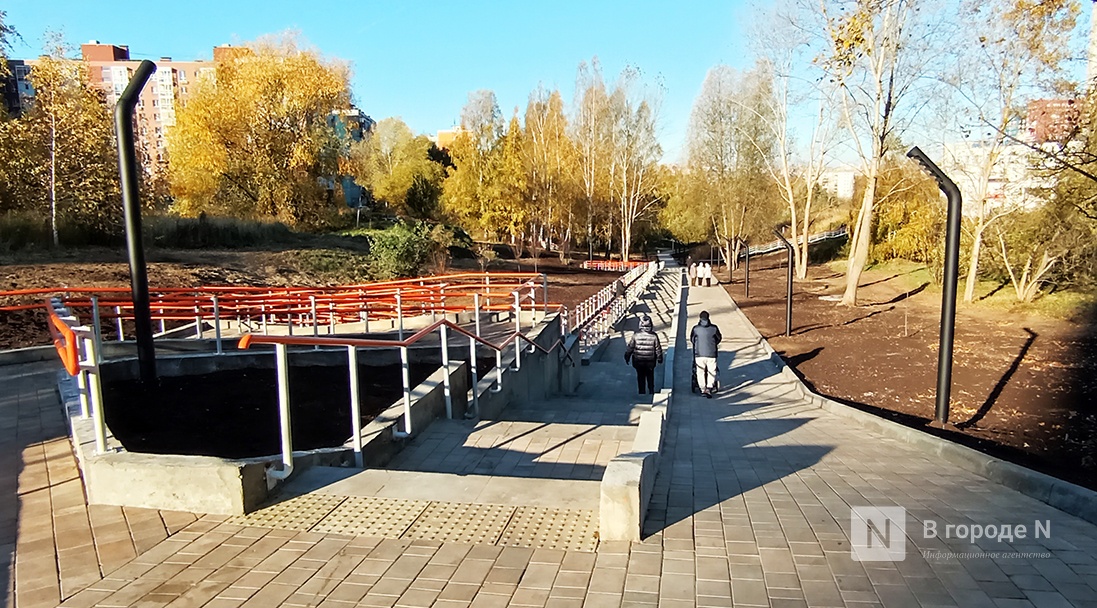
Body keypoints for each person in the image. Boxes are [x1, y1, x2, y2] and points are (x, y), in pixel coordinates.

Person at [624, 314, 664, 395]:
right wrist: (660, 359)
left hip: (638, 361)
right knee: (650, 376)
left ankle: (641, 392)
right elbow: (658, 349)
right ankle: (651, 391)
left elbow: (630, 348)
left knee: (640, 376)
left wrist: (627, 357)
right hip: (650, 361)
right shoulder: (654, 336)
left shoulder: (636, 335)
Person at [690, 310, 722, 397]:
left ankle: (702, 388)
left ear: (700, 318)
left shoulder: (696, 329)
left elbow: (692, 340)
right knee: (712, 371)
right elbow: (718, 338)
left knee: (700, 371)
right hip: (711, 354)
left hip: (699, 354)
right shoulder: (714, 328)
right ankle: (709, 387)